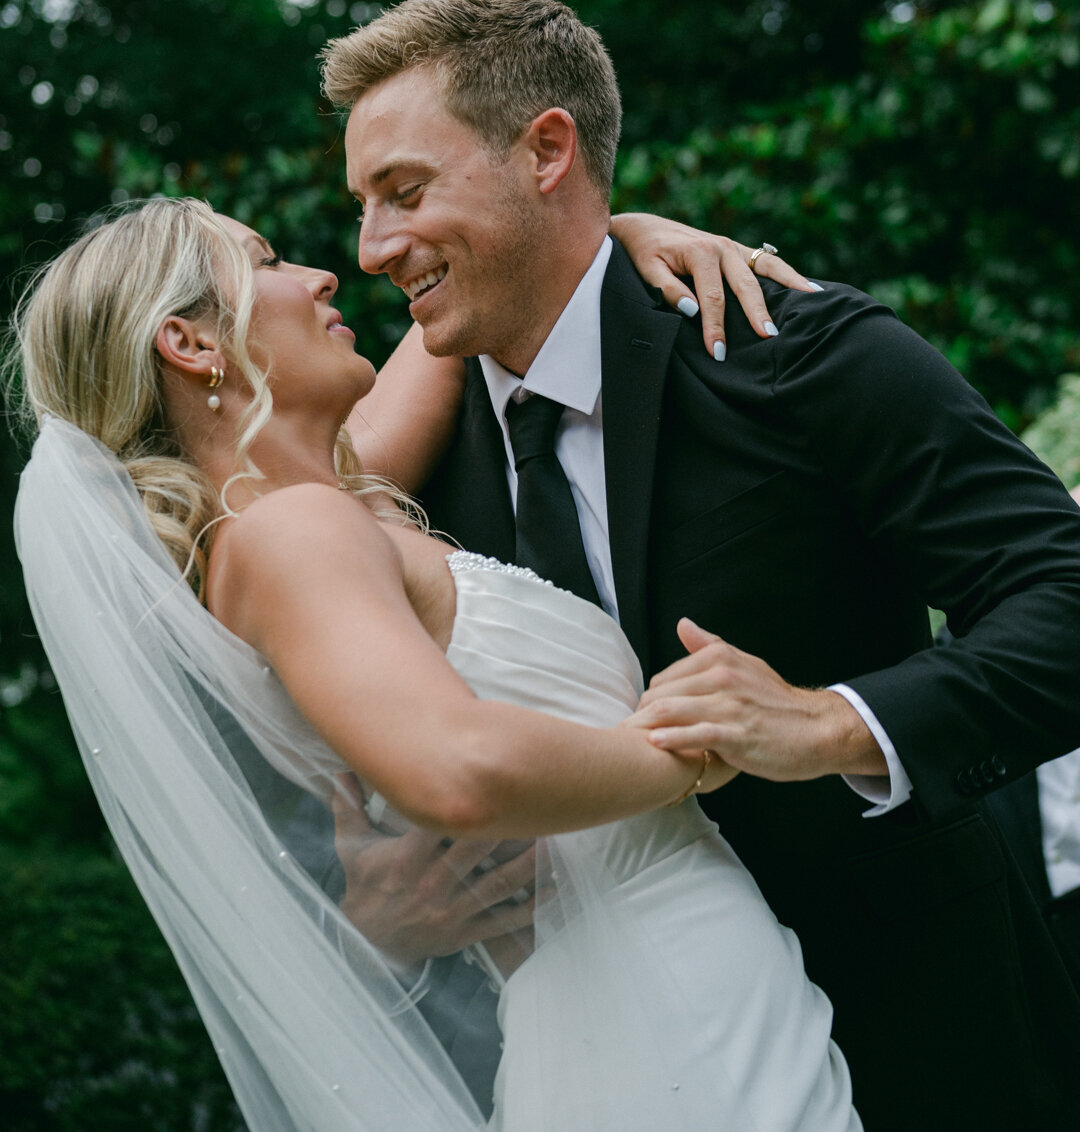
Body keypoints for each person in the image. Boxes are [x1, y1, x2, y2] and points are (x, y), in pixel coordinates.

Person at [323, 0, 1080, 1132]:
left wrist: (833, 724)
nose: (374, 248)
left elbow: (1062, 589)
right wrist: (381, 908)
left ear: (547, 151)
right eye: (364, 205)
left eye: (404, 191)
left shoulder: (794, 352)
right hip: (619, 1065)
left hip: (922, 1030)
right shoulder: (398, 476)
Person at [11, 198, 862, 1132]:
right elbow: (455, 769)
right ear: (190, 343)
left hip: (685, 987)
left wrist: (612, 229)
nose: (323, 275)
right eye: (266, 263)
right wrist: (718, 745)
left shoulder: (324, 500)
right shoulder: (293, 534)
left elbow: (471, 307)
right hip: (656, 1015)